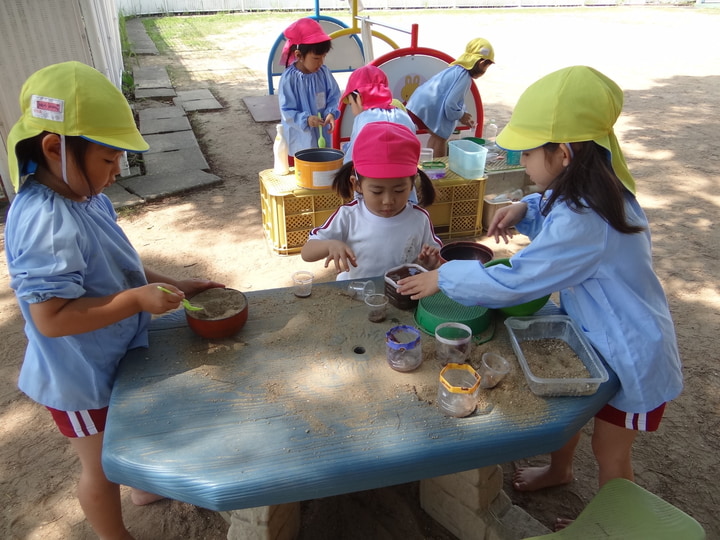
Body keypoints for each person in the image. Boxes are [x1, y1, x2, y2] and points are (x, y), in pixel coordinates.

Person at [397, 66, 683, 526]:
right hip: (598, 335)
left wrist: (445, 279)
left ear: (564, 154)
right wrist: (524, 208)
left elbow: (517, 280)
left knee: (609, 450)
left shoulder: (587, 221)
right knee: (572, 408)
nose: (522, 161)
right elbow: (557, 210)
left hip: (633, 353)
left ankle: (610, 523)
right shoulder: (595, 186)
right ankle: (560, 470)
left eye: (527, 153)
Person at [4, 61, 224, 540]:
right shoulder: (45, 221)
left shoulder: (84, 195)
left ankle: (143, 488)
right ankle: (114, 535)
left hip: (110, 352)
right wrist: (135, 302)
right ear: (54, 149)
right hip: (77, 375)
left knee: (135, 432)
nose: (116, 170)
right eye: (108, 159)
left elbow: (119, 264)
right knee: (100, 465)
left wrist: (172, 283)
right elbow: (51, 319)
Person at [301, 121, 443, 280]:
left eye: (399, 190)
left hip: (401, 295)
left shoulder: (419, 219)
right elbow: (307, 252)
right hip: (356, 294)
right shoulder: (349, 216)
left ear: (412, 183)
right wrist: (330, 245)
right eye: (377, 191)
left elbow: (435, 258)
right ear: (357, 185)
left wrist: (429, 264)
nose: (388, 200)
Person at [406, 37, 494, 158]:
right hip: (425, 108)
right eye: (486, 67)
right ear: (481, 63)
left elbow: (455, 100)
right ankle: (439, 170)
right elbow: (450, 104)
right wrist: (461, 115)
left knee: (436, 136)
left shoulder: (456, 70)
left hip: (417, 104)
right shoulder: (465, 78)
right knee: (441, 138)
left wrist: (464, 113)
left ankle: (428, 165)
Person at [278, 17, 341, 163]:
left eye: (323, 57)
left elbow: (334, 96)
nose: (321, 62)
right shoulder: (289, 79)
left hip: (322, 136)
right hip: (299, 138)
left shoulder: (323, 72)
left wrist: (331, 113)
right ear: (299, 56)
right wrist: (306, 119)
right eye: (316, 58)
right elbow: (287, 110)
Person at [338, 64, 417, 164]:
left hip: (372, 178)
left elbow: (351, 159)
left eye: (350, 104)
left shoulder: (362, 120)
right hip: (406, 176)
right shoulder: (403, 116)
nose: (352, 110)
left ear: (358, 98)